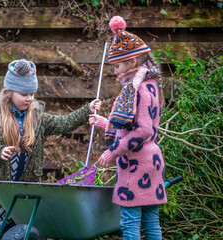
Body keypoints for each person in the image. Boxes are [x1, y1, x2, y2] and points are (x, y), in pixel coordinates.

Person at [0, 59, 101, 240]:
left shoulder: (37, 117)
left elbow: (63, 123)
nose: (29, 98)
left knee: (24, 229)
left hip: (27, 187)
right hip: (1, 190)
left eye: (32, 94)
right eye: (24, 94)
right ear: (8, 92)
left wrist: (86, 110)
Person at [89, 16, 166, 240]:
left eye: (118, 66)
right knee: (152, 222)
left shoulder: (138, 90)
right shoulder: (151, 84)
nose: (115, 71)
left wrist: (113, 152)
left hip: (136, 166)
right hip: (151, 162)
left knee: (130, 223)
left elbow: (142, 131)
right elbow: (135, 124)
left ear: (132, 62)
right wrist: (105, 122)